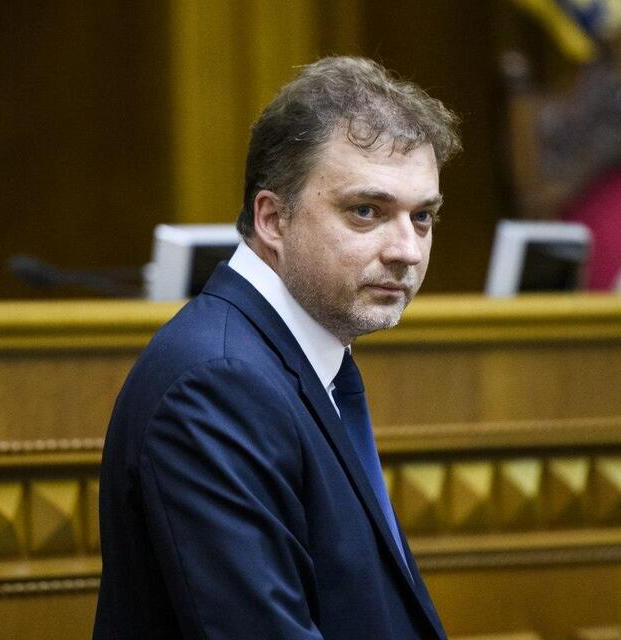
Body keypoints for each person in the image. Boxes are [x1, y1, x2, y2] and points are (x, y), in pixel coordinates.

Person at [93, 56, 461, 639]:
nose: (407, 251)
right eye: (367, 211)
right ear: (272, 219)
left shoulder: (292, 360)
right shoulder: (218, 385)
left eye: (422, 217)